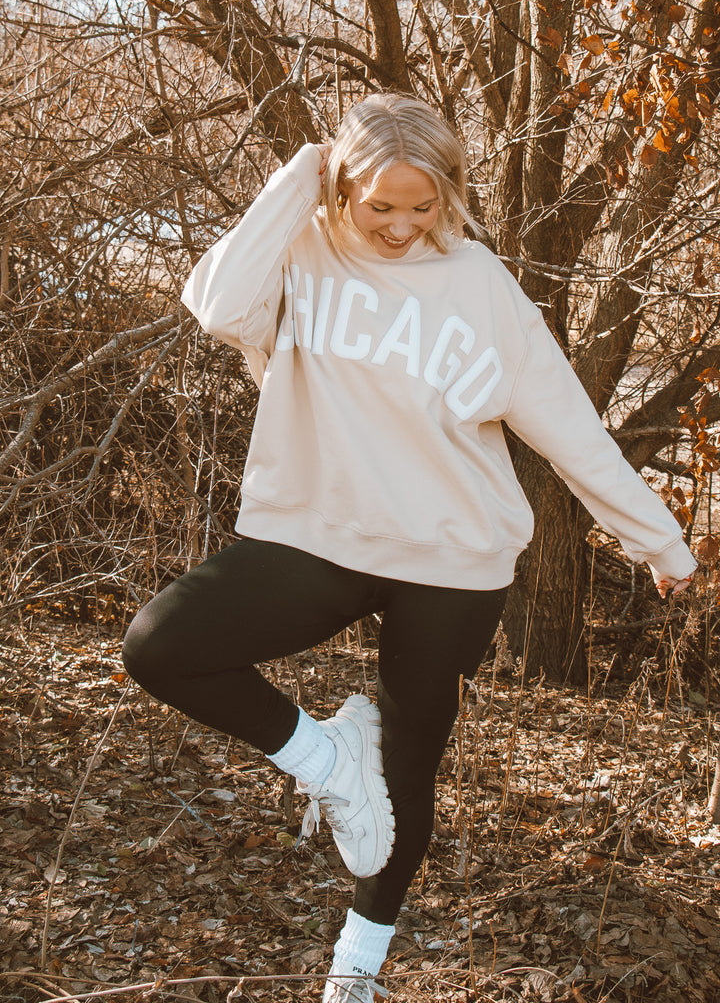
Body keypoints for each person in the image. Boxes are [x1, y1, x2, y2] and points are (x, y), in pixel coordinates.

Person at [122, 93, 696, 1002]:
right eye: (377, 204)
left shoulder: (479, 284)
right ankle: (325, 760)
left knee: (408, 767)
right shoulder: (301, 249)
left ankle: (356, 973)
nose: (398, 227)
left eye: (420, 207)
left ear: (451, 195)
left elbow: (569, 427)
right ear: (338, 184)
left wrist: (656, 539)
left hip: (452, 556)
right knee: (162, 645)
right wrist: (297, 178)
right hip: (320, 535)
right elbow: (218, 305)